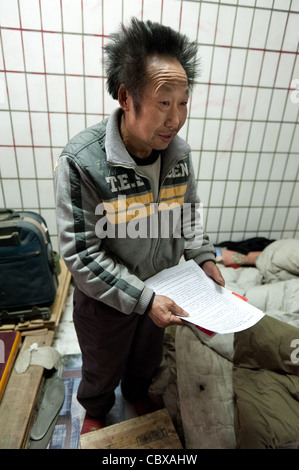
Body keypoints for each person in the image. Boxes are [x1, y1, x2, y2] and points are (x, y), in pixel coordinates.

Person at [54, 18, 224, 420]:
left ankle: (137, 392)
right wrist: (143, 299)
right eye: (164, 102)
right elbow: (81, 254)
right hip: (105, 304)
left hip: (163, 289)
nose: (176, 118)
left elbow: (189, 217)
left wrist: (205, 258)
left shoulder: (178, 154)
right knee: (101, 366)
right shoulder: (83, 162)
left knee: (146, 360)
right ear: (126, 97)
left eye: (183, 102)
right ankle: (95, 410)